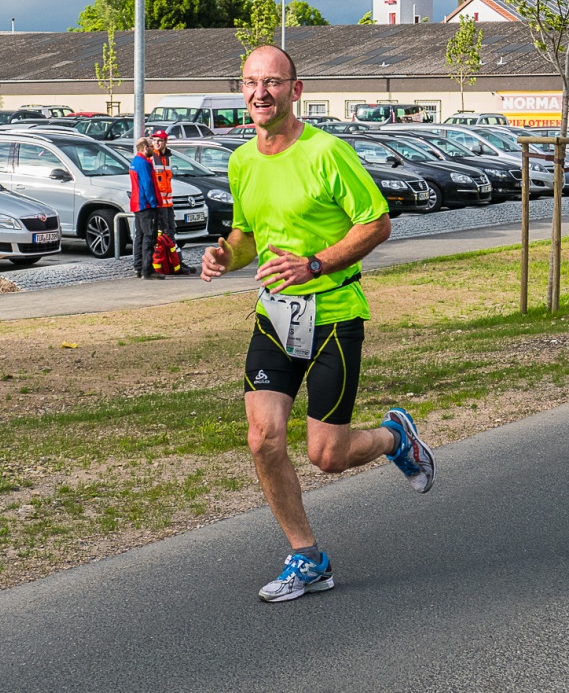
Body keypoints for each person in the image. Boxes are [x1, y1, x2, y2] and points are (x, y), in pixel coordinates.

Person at [200, 44, 436, 603]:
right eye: (252, 83)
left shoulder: (327, 152)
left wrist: (314, 263)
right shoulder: (242, 161)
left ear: (296, 90)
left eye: (273, 82)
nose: (262, 93)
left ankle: (394, 436)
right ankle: (307, 557)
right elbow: (246, 236)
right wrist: (224, 257)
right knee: (263, 440)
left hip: (332, 314)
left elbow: (376, 225)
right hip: (274, 316)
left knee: (326, 456)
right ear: (242, 91)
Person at [149, 130, 196, 275]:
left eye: (160, 140)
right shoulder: (152, 159)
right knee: (163, 235)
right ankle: (169, 264)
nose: (157, 143)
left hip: (167, 204)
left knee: (171, 234)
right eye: (155, 140)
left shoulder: (166, 159)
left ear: (165, 142)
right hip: (158, 204)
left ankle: (175, 262)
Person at [129, 136, 164, 280]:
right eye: (150, 146)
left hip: (138, 204)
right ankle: (147, 270)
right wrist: (153, 203)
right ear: (144, 148)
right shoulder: (143, 163)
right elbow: (147, 184)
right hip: (146, 205)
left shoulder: (135, 162)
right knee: (149, 236)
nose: (153, 148)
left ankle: (138, 267)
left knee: (140, 236)